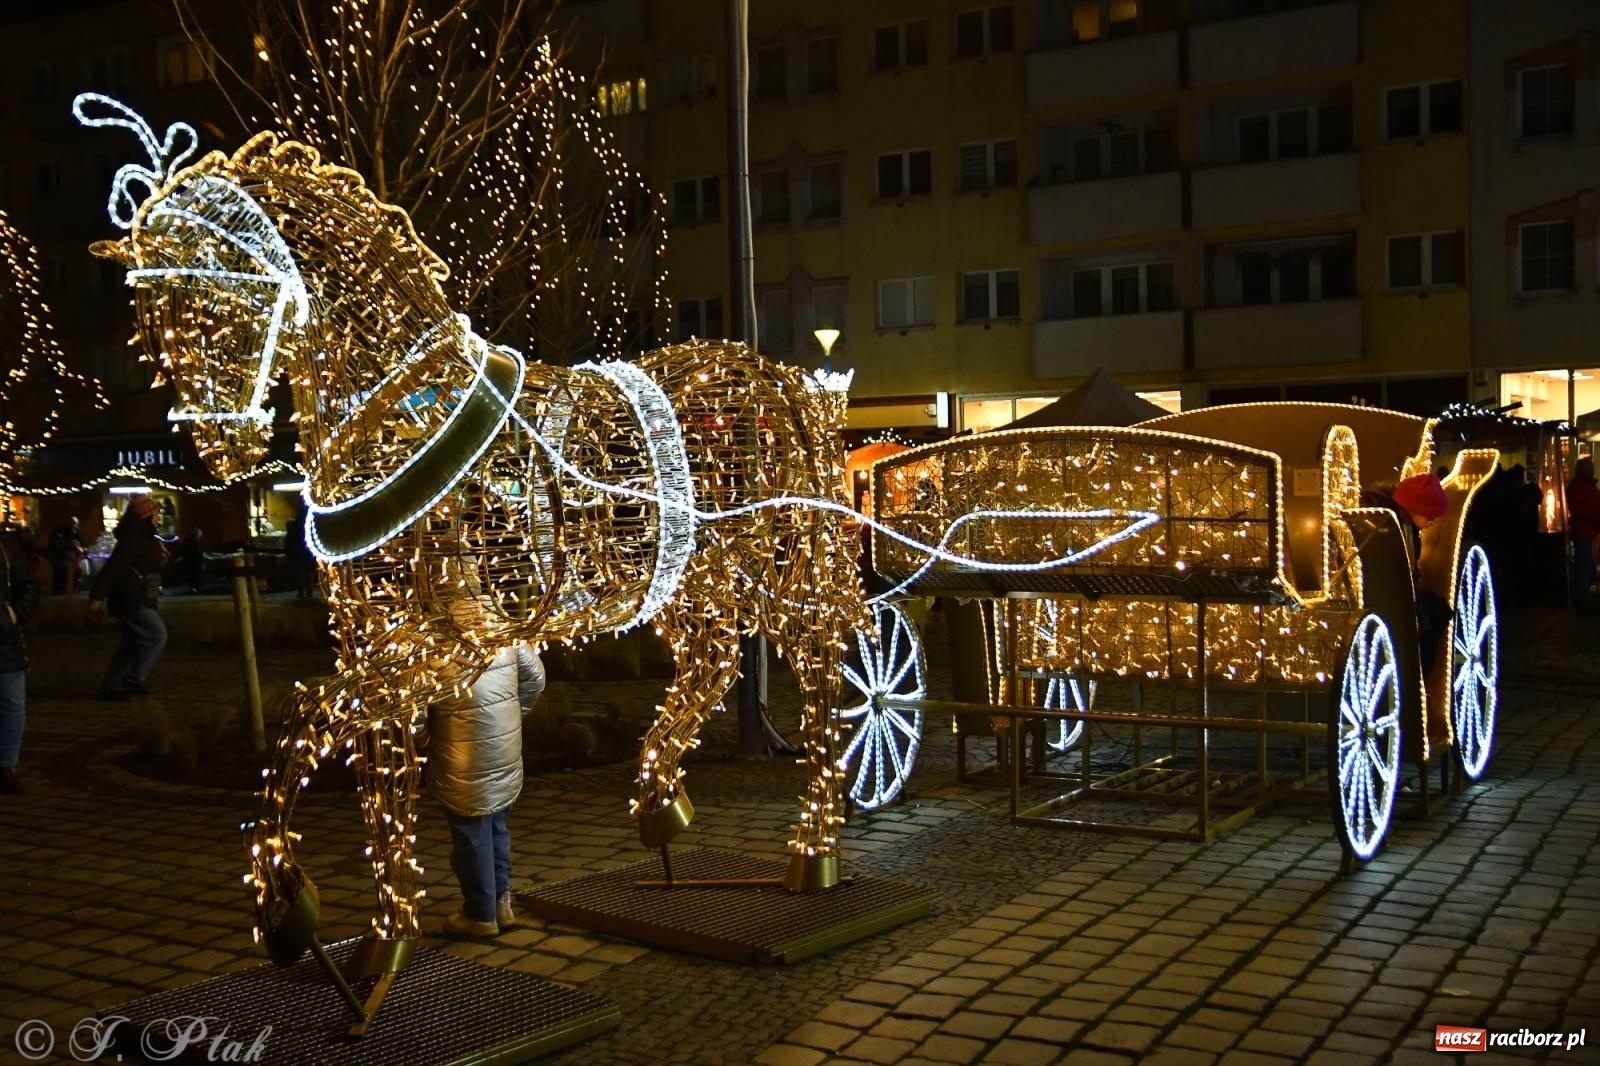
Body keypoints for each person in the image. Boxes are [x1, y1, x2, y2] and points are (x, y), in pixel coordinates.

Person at [428, 632, 546, 938]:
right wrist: (511, 716)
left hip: (460, 752)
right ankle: (500, 904)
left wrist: (422, 740)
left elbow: (415, 708)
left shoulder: (432, 638)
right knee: (496, 823)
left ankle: (479, 914)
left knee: (471, 830)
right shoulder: (504, 630)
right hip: (503, 746)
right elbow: (535, 679)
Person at [1366, 473, 1452, 674]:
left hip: (1401, 590)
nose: (1433, 522)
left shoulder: (1405, 525)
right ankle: (1417, 673)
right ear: (1414, 509)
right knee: (1432, 619)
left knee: (1439, 612)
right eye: (1430, 517)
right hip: (1389, 595)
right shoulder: (1389, 526)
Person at [88, 495, 170, 701]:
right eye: (155, 513)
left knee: (131, 643)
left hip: (140, 594)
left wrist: (161, 560)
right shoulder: (133, 538)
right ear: (145, 515)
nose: (158, 516)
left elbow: (145, 566)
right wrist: (97, 597)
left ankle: (111, 687)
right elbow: (113, 567)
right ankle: (134, 678)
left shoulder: (145, 537)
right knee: (156, 635)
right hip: (131, 596)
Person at [0, 523, 41, 794]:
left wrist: (16, 614)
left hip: (3, 638)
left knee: (12, 702)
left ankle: (4, 767)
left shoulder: (6, 545)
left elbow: (27, 583)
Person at [1565, 457, 1600, 614]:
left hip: (1589, 530)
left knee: (1588, 565)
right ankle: (1582, 601)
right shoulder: (1581, 487)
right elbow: (1580, 510)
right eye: (1590, 468)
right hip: (1585, 530)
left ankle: (1583, 598)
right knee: (1585, 566)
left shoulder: (1583, 486)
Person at [284, 506, 316, 599]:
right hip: (308, 551)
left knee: (300, 572)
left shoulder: (293, 526)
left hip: (297, 551)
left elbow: (289, 539)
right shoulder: (310, 525)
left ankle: (301, 591)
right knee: (309, 572)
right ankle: (309, 591)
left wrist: (288, 551)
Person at [47, 516, 85, 595]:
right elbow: (59, 546)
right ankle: (59, 590)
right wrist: (70, 545)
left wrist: (81, 548)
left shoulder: (77, 533)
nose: (74, 525)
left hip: (74, 557)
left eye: (75, 524)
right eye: (73, 523)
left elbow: (82, 543)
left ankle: (70, 588)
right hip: (63, 557)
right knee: (60, 574)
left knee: (72, 573)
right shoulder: (64, 533)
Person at [178, 528, 206, 594]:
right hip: (196, 562)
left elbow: (182, 551)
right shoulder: (196, 542)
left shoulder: (187, 541)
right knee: (197, 575)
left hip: (189, 562)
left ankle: (193, 588)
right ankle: (197, 588)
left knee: (192, 576)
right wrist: (202, 560)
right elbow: (199, 552)